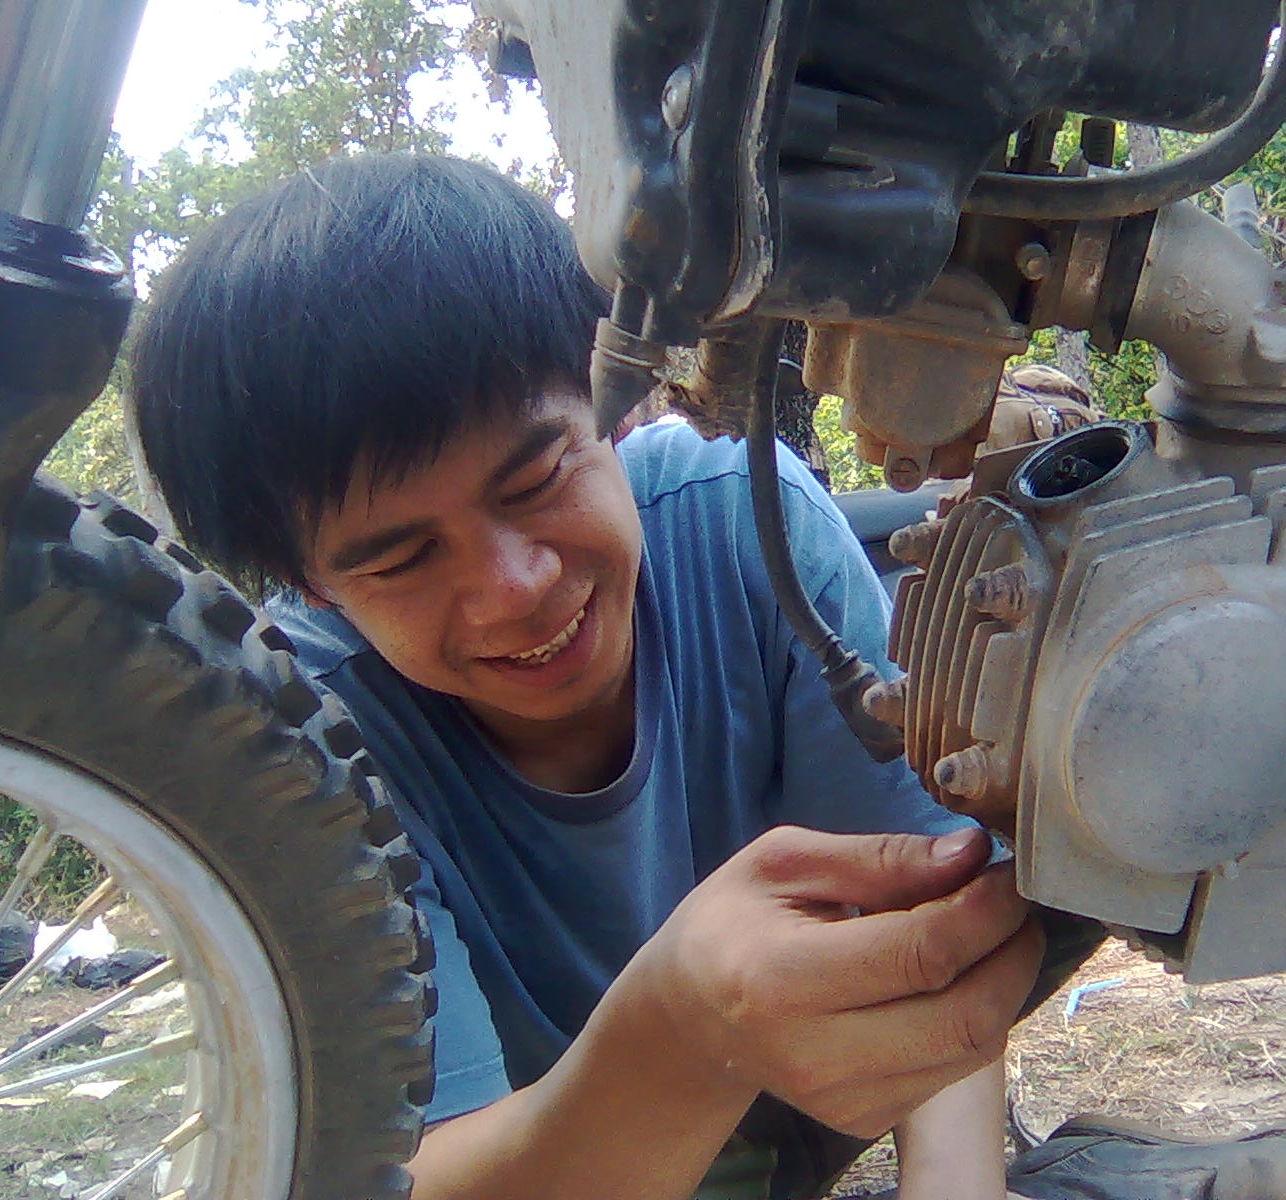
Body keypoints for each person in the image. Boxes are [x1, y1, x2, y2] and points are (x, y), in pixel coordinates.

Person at [128, 151, 1042, 1200]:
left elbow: (937, 920)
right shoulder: (307, 743)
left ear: (617, 406)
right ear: (312, 587)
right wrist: (683, 1032)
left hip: (799, 1101)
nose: (512, 589)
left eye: (536, 479)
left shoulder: (746, 525)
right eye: (402, 559)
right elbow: (414, 1178)